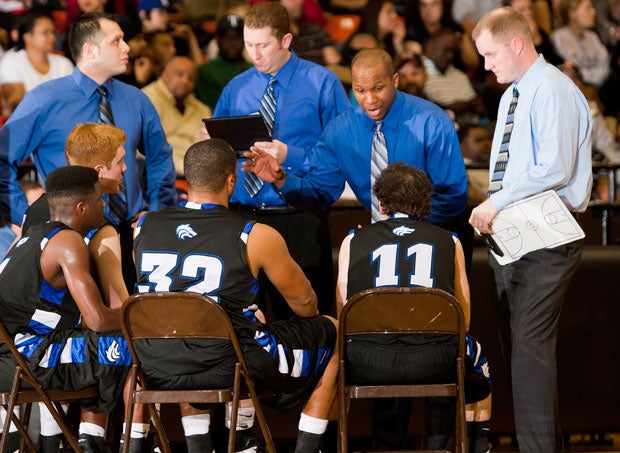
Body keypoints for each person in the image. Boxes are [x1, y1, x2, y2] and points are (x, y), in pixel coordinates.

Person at [133, 138, 338, 453]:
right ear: (232, 180)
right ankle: (300, 446)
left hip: (153, 362)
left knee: (195, 330)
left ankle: (207, 445)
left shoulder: (143, 226)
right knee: (331, 330)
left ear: (187, 178)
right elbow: (305, 304)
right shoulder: (256, 234)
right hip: (228, 364)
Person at [469, 7, 592, 452]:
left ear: (516, 44)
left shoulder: (553, 90)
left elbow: (554, 168)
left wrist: (494, 201)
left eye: (490, 54)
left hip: (549, 232)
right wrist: (497, 209)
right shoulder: (513, 94)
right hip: (515, 231)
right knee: (518, 347)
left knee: (529, 345)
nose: (486, 65)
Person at [248, 48, 473, 267]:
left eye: (378, 88)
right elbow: (319, 191)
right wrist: (281, 179)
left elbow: (452, 196)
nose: (370, 100)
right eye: (360, 90)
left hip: (440, 237)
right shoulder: (339, 131)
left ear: (395, 80)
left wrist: (401, 227)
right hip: (381, 243)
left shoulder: (431, 121)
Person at [0, 12, 176, 290]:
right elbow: (2, 158)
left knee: (135, 320)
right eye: (116, 41)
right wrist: (26, 218)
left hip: (132, 233)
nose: (127, 47)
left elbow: (159, 157)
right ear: (90, 50)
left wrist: (156, 213)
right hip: (69, 236)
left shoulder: (137, 99)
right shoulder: (45, 99)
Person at [336, 162, 492, 452]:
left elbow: (344, 316)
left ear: (381, 205)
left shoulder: (352, 240)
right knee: (470, 353)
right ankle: (464, 444)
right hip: (433, 361)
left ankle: (378, 445)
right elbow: (463, 318)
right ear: (425, 205)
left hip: (368, 362)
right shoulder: (451, 241)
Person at [212, 1, 351, 319]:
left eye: (263, 45)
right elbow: (220, 150)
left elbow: (341, 151)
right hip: (243, 218)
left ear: (286, 41)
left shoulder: (322, 83)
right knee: (247, 324)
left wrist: (290, 154)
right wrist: (214, 143)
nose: (254, 54)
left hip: (299, 215)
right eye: (249, 45)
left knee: (305, 323)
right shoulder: (237, 87)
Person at [0, 166, 131, 452]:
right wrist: (136, 317)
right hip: (21, 359)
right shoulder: (69, 242)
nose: (104, 205)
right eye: (99, 200)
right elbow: (97, 320)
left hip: (12, 352)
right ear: (82, 208)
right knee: (123, 343)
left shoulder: (28, 237)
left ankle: (69, 439)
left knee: (85, 344)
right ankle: (98, 441)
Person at [21, 123, 129, 310]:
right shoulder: (102, 230)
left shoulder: (34, 208)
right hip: (61, 332)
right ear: (98, 171)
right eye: (120, 161)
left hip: (15, 327)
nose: (125, 168)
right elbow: (119, 307)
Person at [142, 55, 212, 176]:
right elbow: (151, 149)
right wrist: (190, 170)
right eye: (180, 74)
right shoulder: (146, 99)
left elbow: (209, 148)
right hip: (158, 175)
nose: (185, 81)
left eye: (190, 78)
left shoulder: (202, 109)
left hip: (198, 177)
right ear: (164, 74)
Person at [0, 13, 73, 114]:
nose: (52, 37)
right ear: (27, 37)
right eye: (45, 33)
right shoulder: (10, 62)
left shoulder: (63, 63)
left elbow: (73, 99)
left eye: (53, 32)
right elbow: (16, 104)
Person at [550, 0, 611, 87]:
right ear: (572, 14)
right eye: (588, 8)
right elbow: (573, 70)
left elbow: (605, 63)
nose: (594, 11)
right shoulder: (560, 38)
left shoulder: (592, 36)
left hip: (601, 87)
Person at [195, 14, 251, 109]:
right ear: (217, 39)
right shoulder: (205, 72)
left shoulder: (256, 69)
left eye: (237, 37)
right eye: (227, 37)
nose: (232, 42)